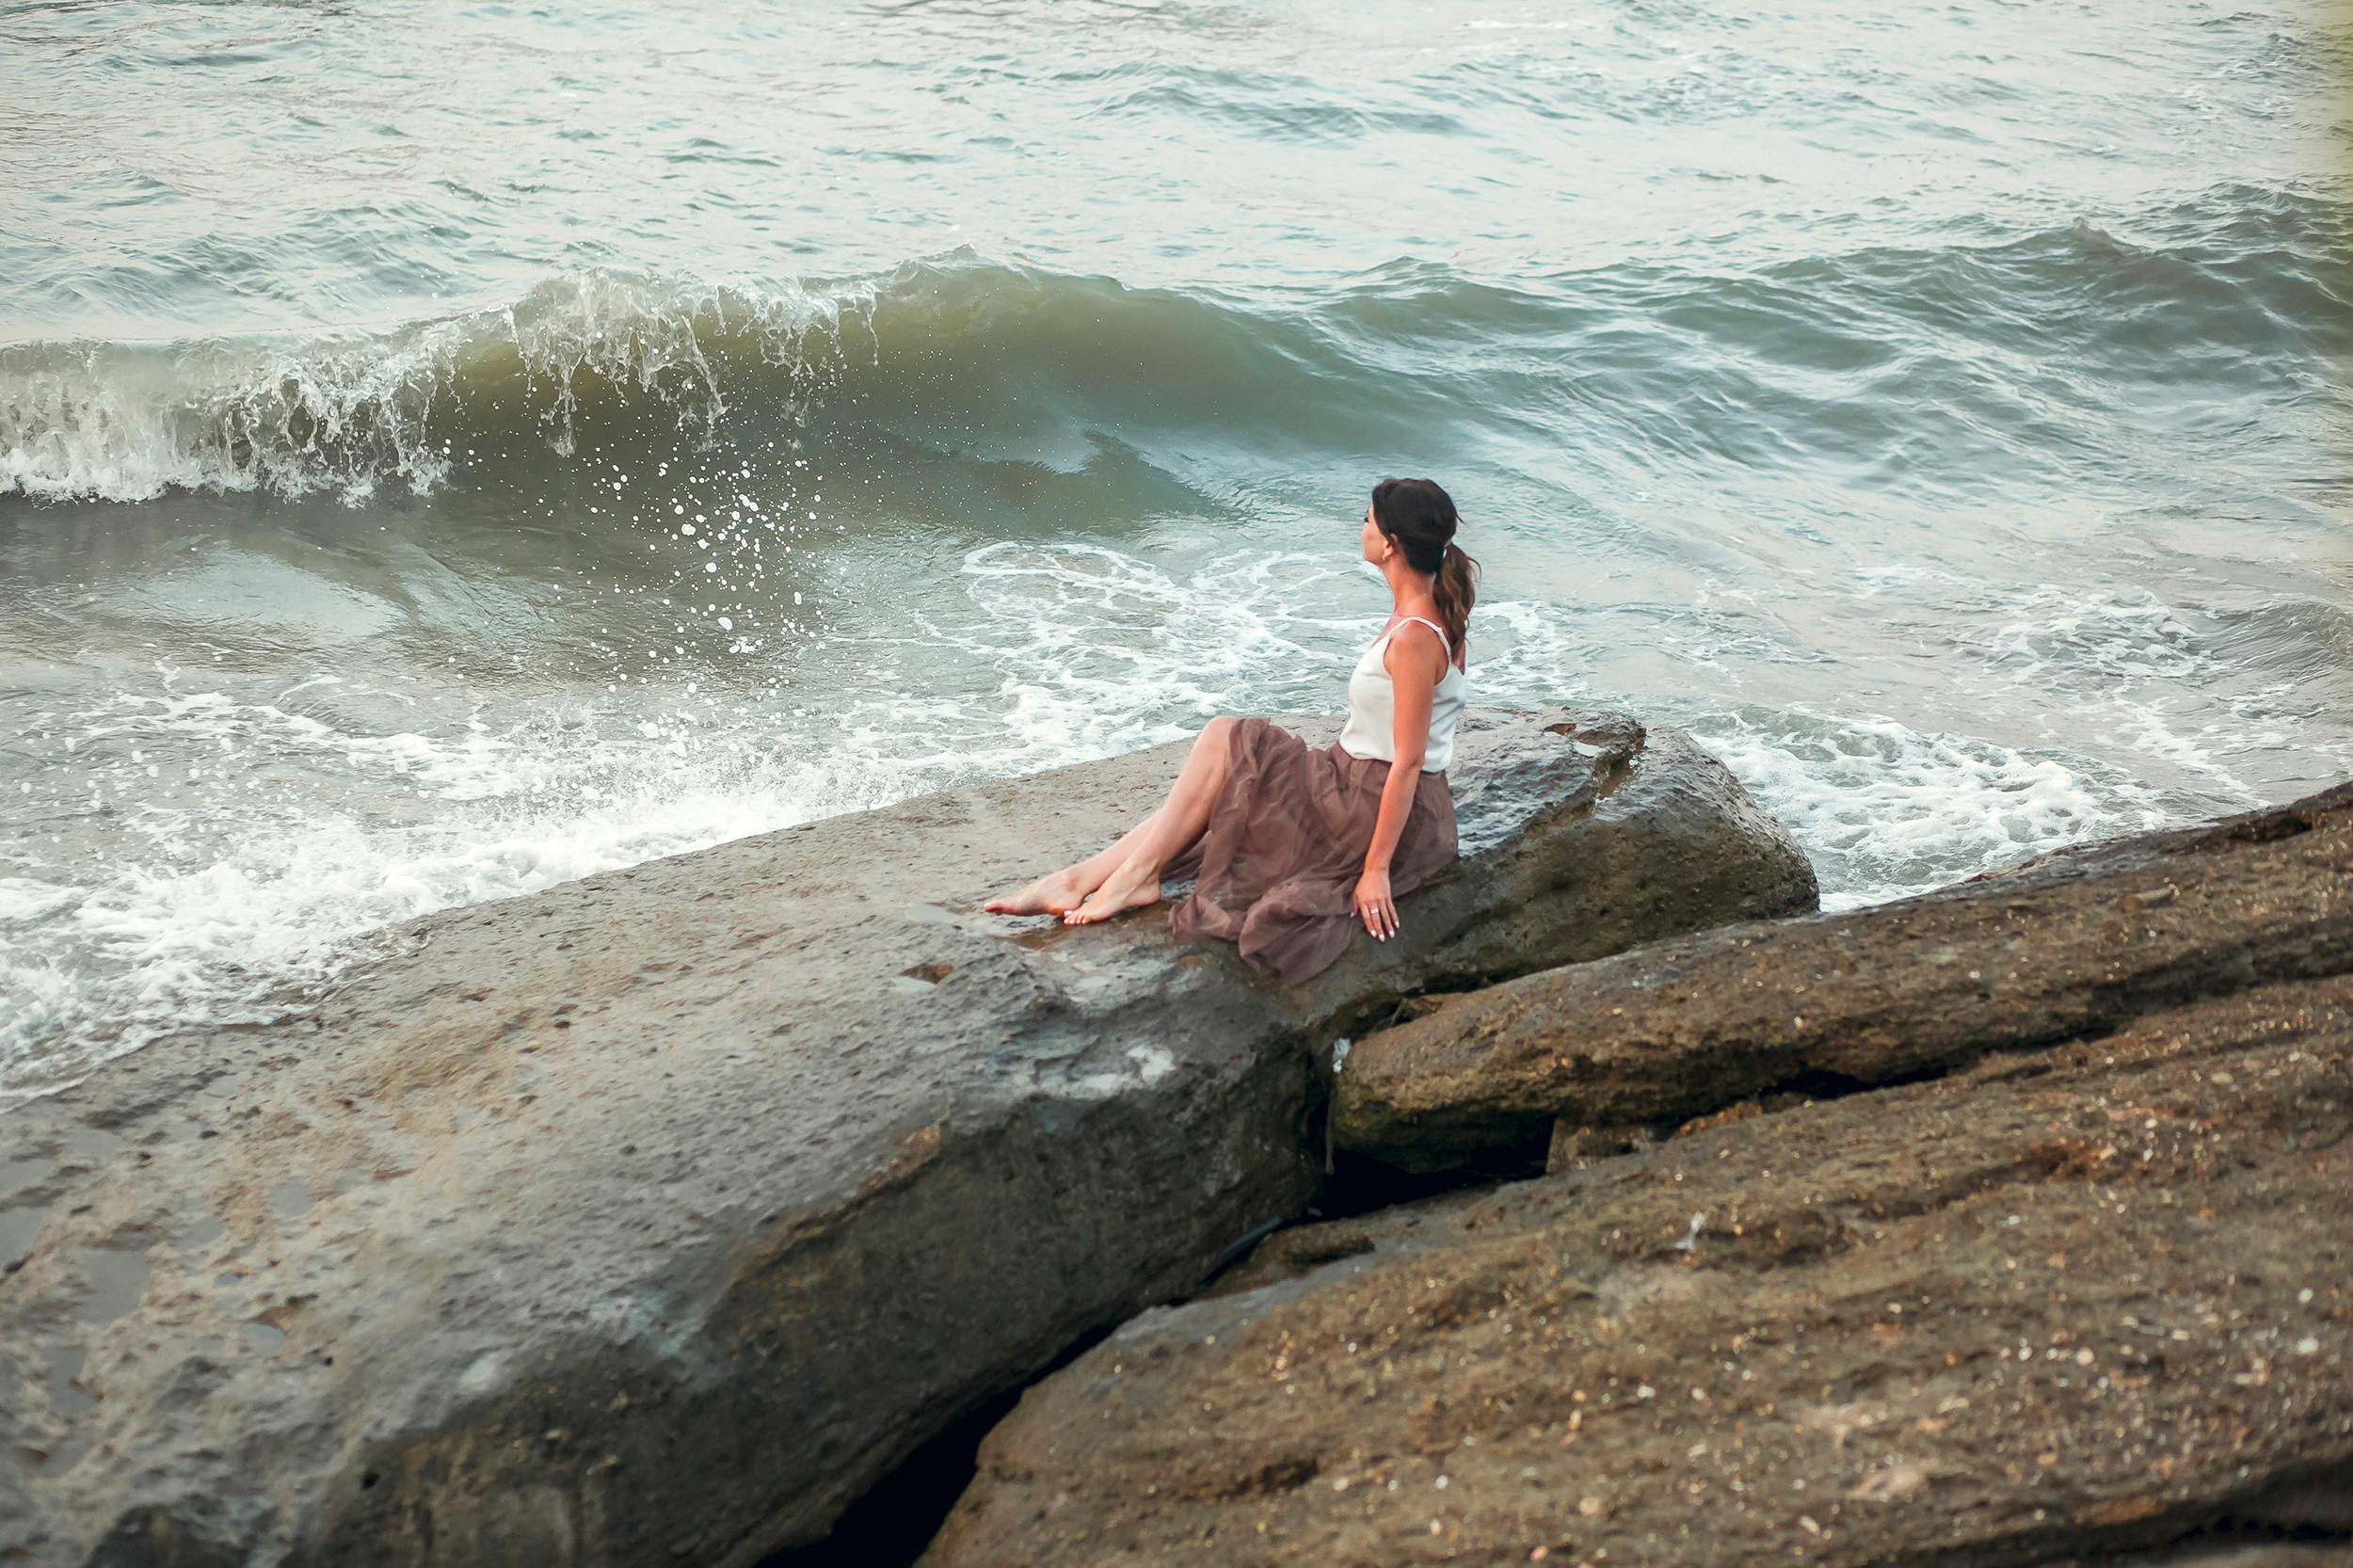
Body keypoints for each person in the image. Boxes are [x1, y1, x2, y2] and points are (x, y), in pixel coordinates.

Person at [984, 477, 1477, 984]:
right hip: (1351, 782)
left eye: (1367, 520)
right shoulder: (1431, 611)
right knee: (1223, 804)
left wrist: (1374, 871)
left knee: (1227, 739)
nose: (1362, 529)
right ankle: (1078, 879)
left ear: (1391, 543)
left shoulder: (1417, 635)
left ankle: (1136, 877)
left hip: (1369, 802)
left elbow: (1409, 762)